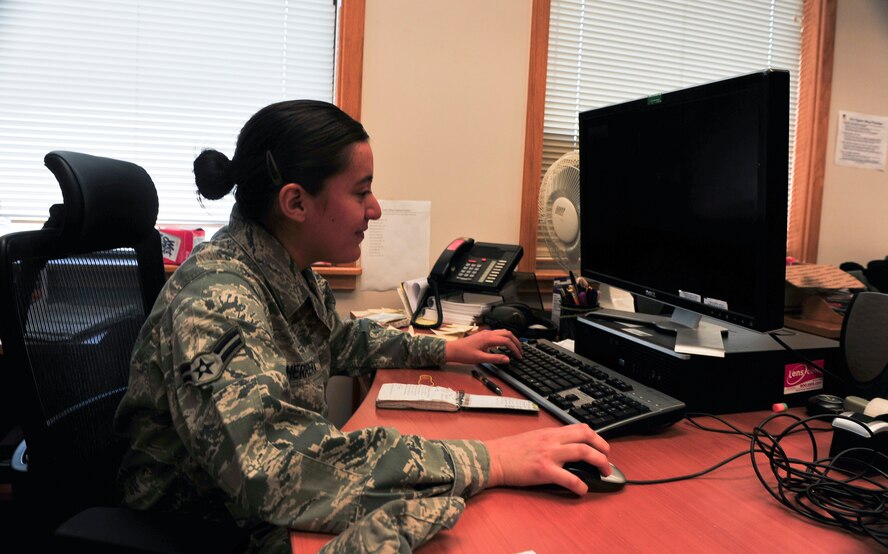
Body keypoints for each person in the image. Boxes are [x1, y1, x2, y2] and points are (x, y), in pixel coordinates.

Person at [113, 99, 612, 553]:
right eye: (362, 191)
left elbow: (340, 340)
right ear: (295, 203)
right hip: (203, 523)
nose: (374, 209)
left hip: (248, 500)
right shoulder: (219, 296)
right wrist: (489, 462)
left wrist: (446, 352)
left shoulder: (286, 268)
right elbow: (266, 470)